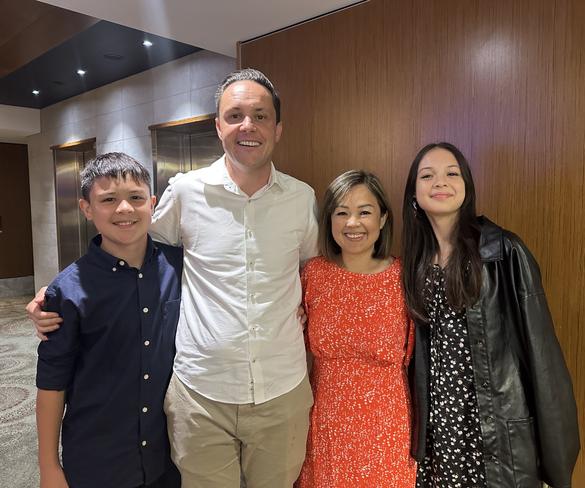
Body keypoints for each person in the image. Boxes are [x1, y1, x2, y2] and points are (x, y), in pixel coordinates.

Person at [29, 68, 318, 488]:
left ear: (278, 127)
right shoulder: (186, 191)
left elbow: (314, 273)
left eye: (260, 115)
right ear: (218, 126)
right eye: (234, 115)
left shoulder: (301, 198)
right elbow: (132, 247)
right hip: (200, 394)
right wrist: (63, 292)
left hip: (283, 389)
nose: (247, 126)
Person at [401, 142, 580, 488]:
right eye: (428, 176)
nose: (440, 182)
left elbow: (543, 363)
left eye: (452, 174)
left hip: (494, 441)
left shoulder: (502, 253)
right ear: (413, 194)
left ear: (466, 187)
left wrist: (554, 469)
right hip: (440, 442)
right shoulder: (416, 266)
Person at [35, 153, 182, 488]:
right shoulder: (67, 291)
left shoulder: (180, 267)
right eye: (108, 200)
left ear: (153, 203)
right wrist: (48, 467)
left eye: (135, 198)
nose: (125, 209)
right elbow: (51, 383)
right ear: (86, 208)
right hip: (98, 459)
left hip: (167, 456)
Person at [296, 170, 416, 488]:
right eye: (342, 212)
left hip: (387, 427)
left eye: (365, 212)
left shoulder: (404, 278)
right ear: (329, 220)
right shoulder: (313, 274)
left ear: (383, 219)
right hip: (324, 425)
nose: (353, 223)